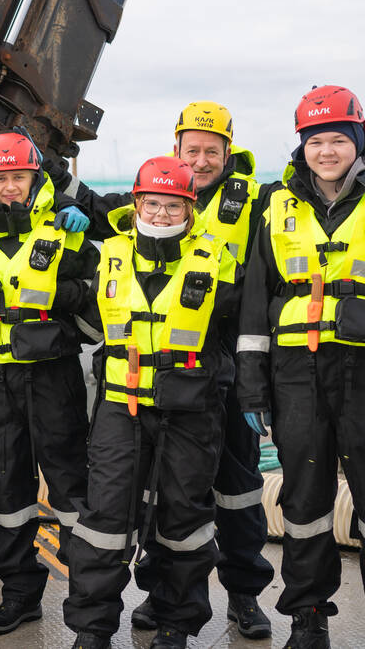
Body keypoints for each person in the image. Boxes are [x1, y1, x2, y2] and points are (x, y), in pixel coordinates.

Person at [47, 101, 275, 638]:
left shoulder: (259, 203)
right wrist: (51, 169)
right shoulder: (121, 245)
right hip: (131, 398)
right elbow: (83, 243)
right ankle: (144, 605)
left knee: (229, 497)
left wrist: (256, 385)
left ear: (228, 152)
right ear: (175, 151)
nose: (199, 159)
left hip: (212, 383)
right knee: (143, 504)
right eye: (190, 150)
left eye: (210, 151)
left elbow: (264, 294)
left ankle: (241, 596)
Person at [235, 85, 365, 649]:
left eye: (336, 139)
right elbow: (256, 309)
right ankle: (308, 620)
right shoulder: (273, 208)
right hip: (295, 378)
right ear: (301, 145)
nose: (326, 151)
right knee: (303, 504)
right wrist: (253, 392)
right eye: (315, 140)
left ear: (359, 142)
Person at [64, 156, 241, 649]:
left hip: (190, 409)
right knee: (103, 518)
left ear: (190, 208)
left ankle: (174, 623)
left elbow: (237, 330)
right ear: (137, 202)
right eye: (153, 204)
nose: (161, 215)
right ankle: (92, 628)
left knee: (183, 519)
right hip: (120, 407)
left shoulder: (218, 258)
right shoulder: (111, 254)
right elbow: (85, 310)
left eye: (173, 206)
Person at [0, 132, 96, 636]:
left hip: (51, 371)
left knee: (68, 482)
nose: (11, 187)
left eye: (19, 177)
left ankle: (88, 599)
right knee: (6, 486)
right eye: (1, 179)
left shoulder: (64, 228)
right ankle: (19, 593)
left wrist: (58, 312)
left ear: (35, 178)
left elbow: (94, 298)